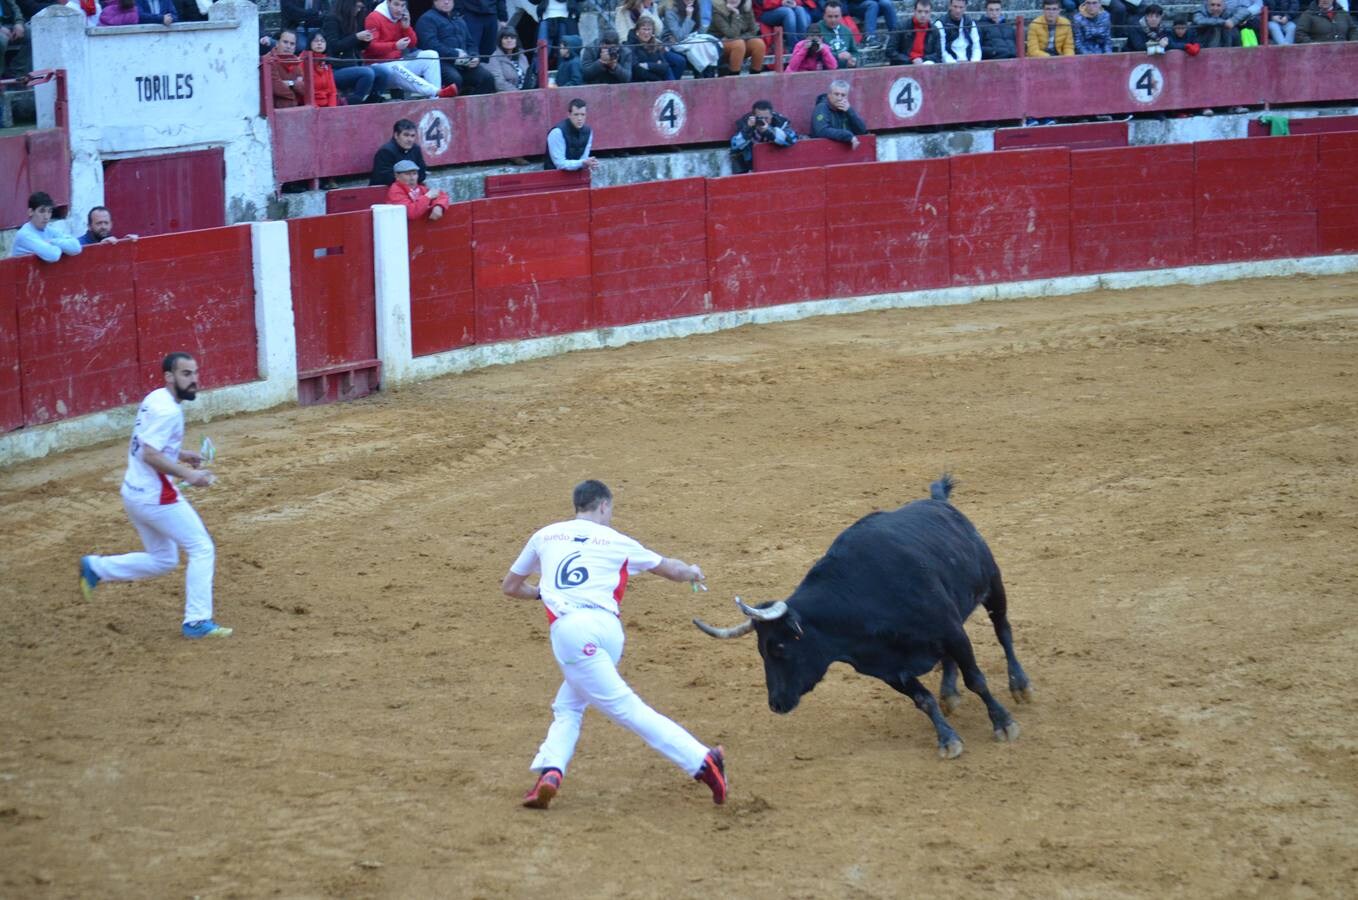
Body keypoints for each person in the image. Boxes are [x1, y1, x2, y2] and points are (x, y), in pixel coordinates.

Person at [502, 479, 727, 810]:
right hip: (609, 631)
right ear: (604, 505)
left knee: (626, 708)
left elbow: (510, 586)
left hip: (572, 633)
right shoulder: (618, 540)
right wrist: (693, 571)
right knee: (568, 705)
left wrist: (544, 593)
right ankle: (550, 772)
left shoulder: (545, 535)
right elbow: (672, 569)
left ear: (577, 505)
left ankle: (702, 760)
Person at [78, 353, 231, 640]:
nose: (194, 379)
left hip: (133, 492)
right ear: (169, 377)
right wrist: (188, 475)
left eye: (195, 372)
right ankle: (197, 621)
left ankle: (96, 567)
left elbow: (145, 444)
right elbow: (150, 454)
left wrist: (181, 455)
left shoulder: (156, 398)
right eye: (186, 374)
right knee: (201, 547)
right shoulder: (168, 411)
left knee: (163, 559)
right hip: (155, 497)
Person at [363, 0, 456, 99]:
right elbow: (370, 47)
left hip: (398, 62)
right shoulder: (374, 17)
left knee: (431, 55)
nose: (399, 9)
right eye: (396, 4)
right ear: (388, 3)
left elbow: (412, 44)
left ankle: (435, 100)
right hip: (378, 66)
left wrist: (406, 27)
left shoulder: (400, 17)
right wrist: (394, 46)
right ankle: (436, 92)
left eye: (403, 5)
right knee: (396, 68)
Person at [418, 0, 497, 95]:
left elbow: (470, 43)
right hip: (441, 62)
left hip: (464, 63)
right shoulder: (427, 19)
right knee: (454, 79)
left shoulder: (459, 19)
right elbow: (430, 44)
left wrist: (474, 56)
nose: (446, 2)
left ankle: (475, 107)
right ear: (435, 2)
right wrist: (455, 54)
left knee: (487, 77)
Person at [321, 0, 384, 104]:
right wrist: (356, 37)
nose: (358, 10)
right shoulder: (331, 18)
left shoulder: (356, 19)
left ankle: (373, 101)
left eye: (360, 8)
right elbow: (335, 46)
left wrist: (366, 40)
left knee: (383, 72)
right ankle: (353, 102)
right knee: (367, 73)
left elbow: (358, 47)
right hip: (336, 68)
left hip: (354, 64)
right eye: (357, 7)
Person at [730, 99, 798, 173]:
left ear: (772, 116)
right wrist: (748, 130)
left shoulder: (780, 121)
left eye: (766, 118)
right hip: (751, 165)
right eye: (760, 118)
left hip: (777, 162)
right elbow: (735, 145)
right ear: (753, 116)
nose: (763, 121)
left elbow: (792, 139)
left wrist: (769, 131)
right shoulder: (746, 122)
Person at [11, 191, 81, 261]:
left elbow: (76, 247)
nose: (46, 217)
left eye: (49, 211)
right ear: (30, 212)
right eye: (42, 211)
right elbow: (53, 255)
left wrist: (51, 241)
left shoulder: (50, 230)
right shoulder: (24, 235)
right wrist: (61, 246)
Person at [709, 0, 765, 74]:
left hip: (739, 41)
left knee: (758, 43)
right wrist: (736, 15)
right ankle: (734, 75)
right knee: (738, 44)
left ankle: (755, 75)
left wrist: (741, 37)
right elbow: (731, 34)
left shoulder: (746, 7)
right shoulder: (717, 10)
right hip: (719, 44)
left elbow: (753, 31)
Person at [544, 97, 598, 170]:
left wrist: (589, 163)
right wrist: (583, 163)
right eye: (576, 114)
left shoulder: (588, 131)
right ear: (569, 115)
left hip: (576, 175)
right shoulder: (557, 132)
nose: (579, 118)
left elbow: (584, 158)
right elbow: (560, 164)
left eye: (583, 114)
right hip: (554, 177)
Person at [370, 118, 428, 185]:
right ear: (396, 135)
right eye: (406, 135)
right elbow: (386, 179)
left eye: (412, 136)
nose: (410, 139)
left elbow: (422, 174)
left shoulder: (416, 149)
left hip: (410, 190)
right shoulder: (386, 151)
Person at [811, 78, 866, 148]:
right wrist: (847, 136)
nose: (839, 98)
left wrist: (850, 111)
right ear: (829, 95)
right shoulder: (821, 108)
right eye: (836, 94)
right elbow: (822, 131)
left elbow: (862, 130)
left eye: (843, 95)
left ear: (847, 97)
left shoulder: (846, 109)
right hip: (823, 150)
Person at [888, 0, 942, 64]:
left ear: (930, 13)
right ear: (914, 11)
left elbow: (938, 54)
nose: (923, 15)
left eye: (926, 12)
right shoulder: (901, 27)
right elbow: (890, 51)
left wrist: (922, 59)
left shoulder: (934, 30)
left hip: (925, 64)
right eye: (919, 11)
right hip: (905, 64)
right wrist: (911, 60)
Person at [811, 0, 858, 68]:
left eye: (836, 16)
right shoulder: (815, 29)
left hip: (845, 72)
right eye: (830, 16)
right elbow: (814, 54)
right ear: (824, 16)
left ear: (841, 16)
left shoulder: (847, 30)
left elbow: (855, 52)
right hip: (824, 73)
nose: (833, 20)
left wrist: (854, 60)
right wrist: (837, 56)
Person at [267, 29, 307, 108]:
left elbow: (305, 88)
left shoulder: (297, 62)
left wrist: (289, 83)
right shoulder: (268, 60)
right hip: (274, 110)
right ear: (277, 43)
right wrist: (295, 88)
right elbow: (276, 87)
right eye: (285, 42)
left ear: (295, 47)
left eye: (292, 44)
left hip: (295, 109)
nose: (288, 46)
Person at [536, 0, 582, 68]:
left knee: (566, 51)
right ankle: (539, 75)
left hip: (567, 19)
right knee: (542, 50)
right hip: (546, 18)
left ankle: (565, 75)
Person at [486, 24, 532, 90]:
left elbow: (529, 77)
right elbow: (499, 84)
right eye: (505, 38)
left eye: (512, 38)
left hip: (528, 93)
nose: (509, 40)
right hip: (508, 96)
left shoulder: (522, 55)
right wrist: (519, 94)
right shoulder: (494, 58)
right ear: (500, 41)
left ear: (516, 40)